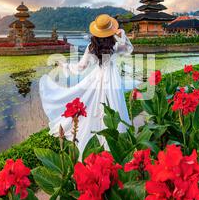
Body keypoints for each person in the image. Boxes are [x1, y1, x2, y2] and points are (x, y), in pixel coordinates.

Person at [39, 14, 133, 153]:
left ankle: (99, 140)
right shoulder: (116, 45)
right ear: (110, 30)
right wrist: (122, 34)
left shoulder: (91, 47)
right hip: (113, 78)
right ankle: (117, 142)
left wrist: (65, 65)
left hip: (98, 77)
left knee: (96, 105)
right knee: (115, 104)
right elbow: (129, 49)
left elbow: (80, 67)